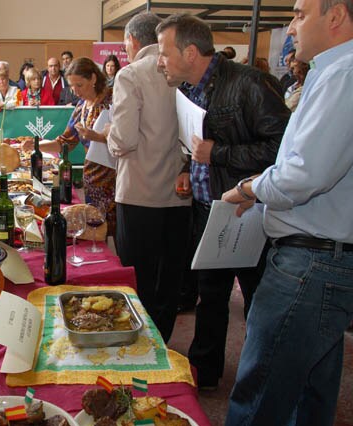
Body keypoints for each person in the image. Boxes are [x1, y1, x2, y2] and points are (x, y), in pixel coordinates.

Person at [221, 1, 353, 423]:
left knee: (263, 396)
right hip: (318, 256)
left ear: (335, 17)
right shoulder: (329, 72)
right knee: (307, 396)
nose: (291, 26)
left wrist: (248, 188)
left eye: (299, 14)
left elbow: (304, 175)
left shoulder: (342, 74)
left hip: (310, 261)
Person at [156, 13, 291, 390]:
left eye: (165, 53)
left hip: (247, 211)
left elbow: (283, 149)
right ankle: (206, 371)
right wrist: (188, 167)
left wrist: (219, 154)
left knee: (257, 300)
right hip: (207, 208)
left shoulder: (249, 83)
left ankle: (264, 377)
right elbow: (198, 143)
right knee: (210, 294)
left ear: (192, 52)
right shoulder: (189, 88)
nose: (159, 61)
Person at [108, 13, 191, 343]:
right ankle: (163, 344)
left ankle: (138, 346)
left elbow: (124, 139)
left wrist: (110, 140)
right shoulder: (184, 70)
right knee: (168, 278)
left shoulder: (131, 75)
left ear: (133, 41)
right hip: (180, 193)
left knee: (138, 276)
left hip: (139, 193)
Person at [24, 57, 116, 234]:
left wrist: (96, 136)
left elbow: (124, 138)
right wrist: (35, 145)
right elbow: (64, 142)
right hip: (92, 178)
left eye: (79, 85)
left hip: (113, 177)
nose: (75, 91)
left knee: (113, 230)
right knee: (94, 231)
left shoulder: (112, 100)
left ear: (93, 78)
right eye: (72, 86)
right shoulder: (81, 106)